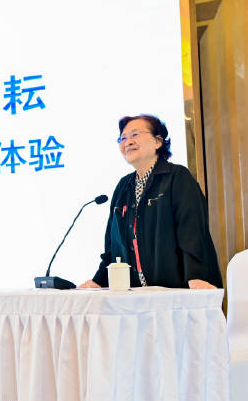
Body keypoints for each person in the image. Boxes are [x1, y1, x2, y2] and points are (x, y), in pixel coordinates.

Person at [79, 115, 223, 289]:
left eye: (135, 134)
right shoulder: (123, 186)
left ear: (157, 142)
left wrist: (196, 276)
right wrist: (98, 280)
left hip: (180, 290)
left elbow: (192, 232)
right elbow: (112, 244)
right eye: (123, 138)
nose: (128, 142)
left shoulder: (177, 177)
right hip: (137, 294)